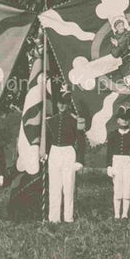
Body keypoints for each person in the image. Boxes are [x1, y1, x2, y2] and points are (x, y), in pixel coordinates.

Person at [45, 90, 86, 223]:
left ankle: (68, 218)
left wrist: (80, 160)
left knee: (68, 187)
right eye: (60, 103)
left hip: (68, 152)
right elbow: (47, 140)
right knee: (54, 187)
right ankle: (53, 218)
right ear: (57, 104)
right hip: (54, 152)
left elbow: (81, 141)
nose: (62, 106)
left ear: (68, 104)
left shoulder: (75, 120)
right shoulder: (51, 121)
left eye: (65, 103)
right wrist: (45, 153)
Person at [106, 106, 130, 220]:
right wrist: (109, 165)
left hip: (127, 162)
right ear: (117, 120)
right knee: (117, 187)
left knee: (127, 187)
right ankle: (116, 214)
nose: (124, 120)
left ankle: (125, 214)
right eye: (122, 118)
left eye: (127, 118)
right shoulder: (113, 134)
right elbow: (109, 152)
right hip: (116, 161)